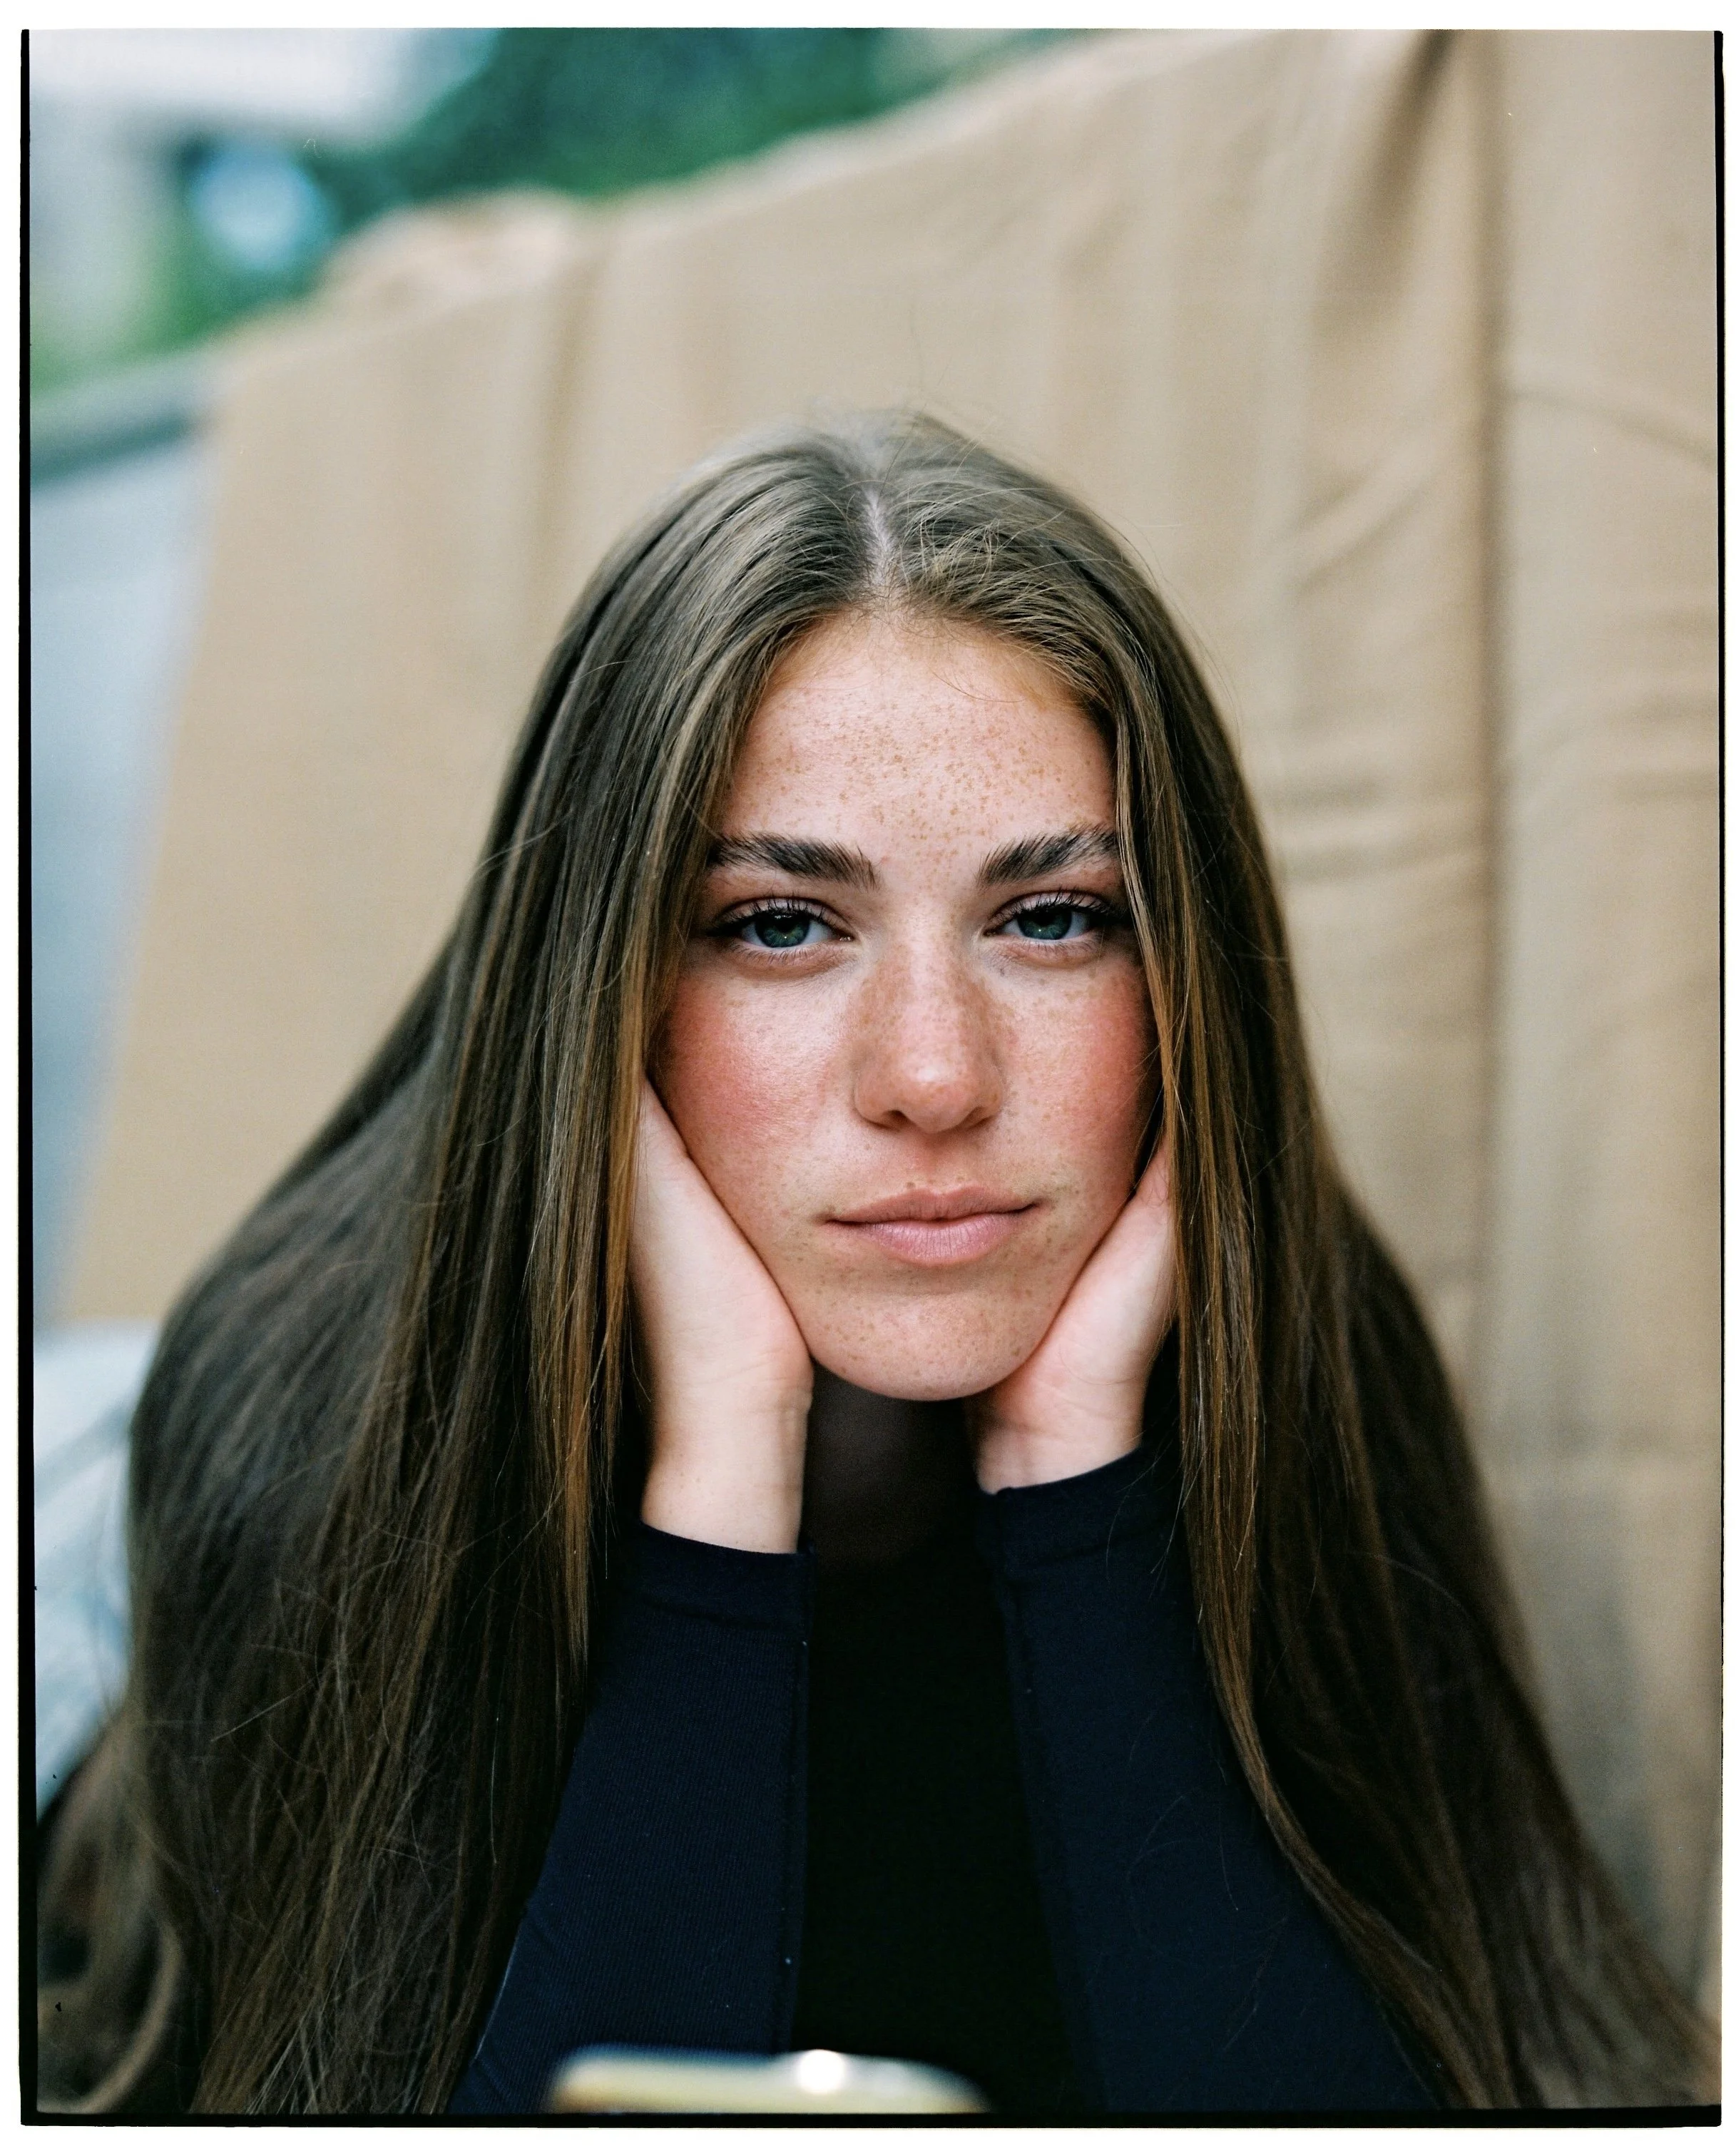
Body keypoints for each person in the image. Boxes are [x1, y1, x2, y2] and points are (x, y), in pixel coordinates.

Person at [38, 414, 1710, 2116]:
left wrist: (1077, 1481)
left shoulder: (1296, 1343)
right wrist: (719, 1483)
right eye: (780, 923)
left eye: (1050, 916)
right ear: (600, 985)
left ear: (1182, 970)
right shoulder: (312, 1402)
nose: (933, 1075)